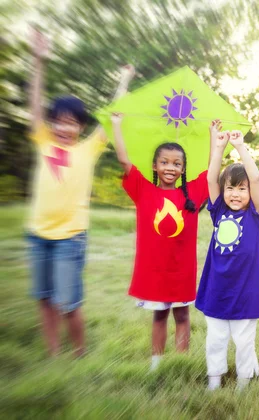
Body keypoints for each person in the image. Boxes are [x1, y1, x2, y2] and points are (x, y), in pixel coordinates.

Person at [27, 28, 134, 357]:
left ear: (80, 126)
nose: (64, 127)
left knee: (68, 302)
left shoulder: (88, 148)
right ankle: (53, 353)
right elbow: (33, 106)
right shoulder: (43, 141)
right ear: (52, 124)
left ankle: (79, 353)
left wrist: (124, 81)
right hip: (38, 235)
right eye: (58, 121)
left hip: (69, 237)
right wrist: (38, 61)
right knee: (44, 298)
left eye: (71, 122)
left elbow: (110, 114)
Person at [111, 112, 209, 371]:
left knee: (182, 314)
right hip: (155, 270)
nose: (170, 167)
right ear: (154, 166)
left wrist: (214, 137)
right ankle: (156, 362)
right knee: (159, 314)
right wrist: (117, 124)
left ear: (183, 169)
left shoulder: (194, 194)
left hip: (182, 270)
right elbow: (123, 159)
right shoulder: (144, 191)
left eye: (176, 164)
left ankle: (181, 362)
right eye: (164, 162)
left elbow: (212, 171)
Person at [195, 121, 259, 391]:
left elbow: (255, 178)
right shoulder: (218, 212)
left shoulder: (254, 215)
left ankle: (243, 380)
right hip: (216, 287)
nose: (235, 194)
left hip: (245, 291)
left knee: (243, 340)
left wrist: (240, 147)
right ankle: (214, 378)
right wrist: (219, 147)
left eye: (241, 189)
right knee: (215, 338)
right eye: (231, 188)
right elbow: (211, 178)